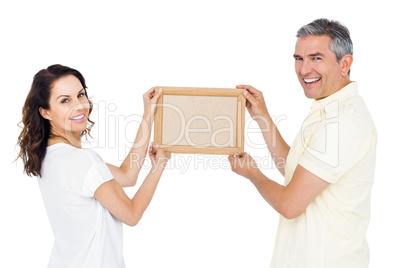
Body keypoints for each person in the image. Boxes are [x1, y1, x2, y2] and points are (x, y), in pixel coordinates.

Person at [228, 18, 377, 268]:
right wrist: (262, 117)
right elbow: (297, 172)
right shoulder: (329, 108)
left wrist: (253, 174)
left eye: (316, 58)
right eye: (298, 58)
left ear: (345, 64)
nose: (304, 69)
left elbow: (289, 204)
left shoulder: (342, 123)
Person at [17, 64, 170, 267]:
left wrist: (148, 114)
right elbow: (131, 214)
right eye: (65, 100)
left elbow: (127, 175)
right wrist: (159, 164)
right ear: (45, 112)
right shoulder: (81, 161)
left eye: (80, 94)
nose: (79, 105)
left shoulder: (50, 157)